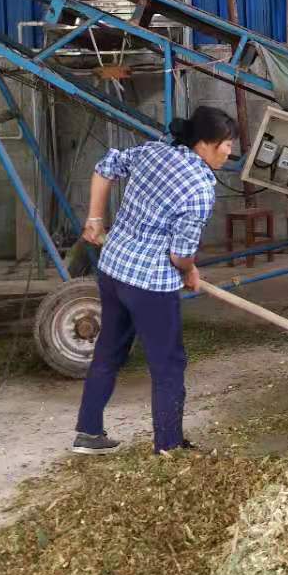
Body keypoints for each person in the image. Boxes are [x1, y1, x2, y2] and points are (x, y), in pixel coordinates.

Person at [71, 105, 238, 455]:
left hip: (114, 268)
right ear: (204, 144)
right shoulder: (200, 190)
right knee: (168, 365)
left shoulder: (153, 151)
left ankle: (88, 433)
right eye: (226, 143)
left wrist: (95, 219)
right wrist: (190, 270)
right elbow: (179, 255)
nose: (230, 150)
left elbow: (105, 168)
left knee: (108, 352)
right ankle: (169, 445)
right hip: (150, 284)